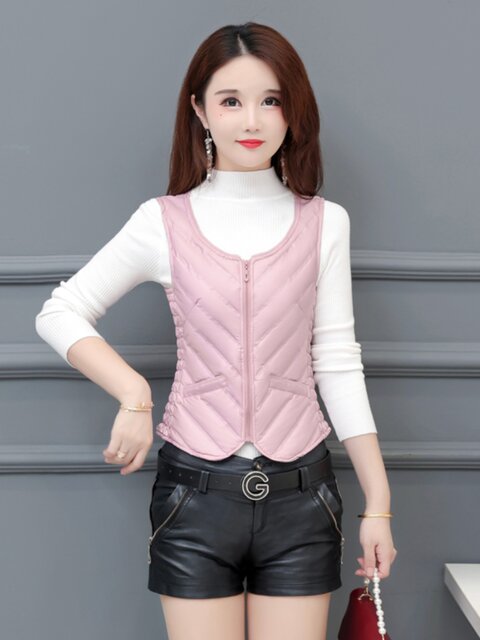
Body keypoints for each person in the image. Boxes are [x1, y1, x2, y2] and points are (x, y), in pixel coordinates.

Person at [35, 21, 397, 640]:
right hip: (193, 499)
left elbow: (337, 360)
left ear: (292, 111)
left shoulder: (326, 223)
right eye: (231, 101)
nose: (251, 120)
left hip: (303, 498)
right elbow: (59, 311)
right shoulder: (162, 221)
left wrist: (379, 504)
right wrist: (133, 393)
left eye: (270, 100)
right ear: (200, 110)